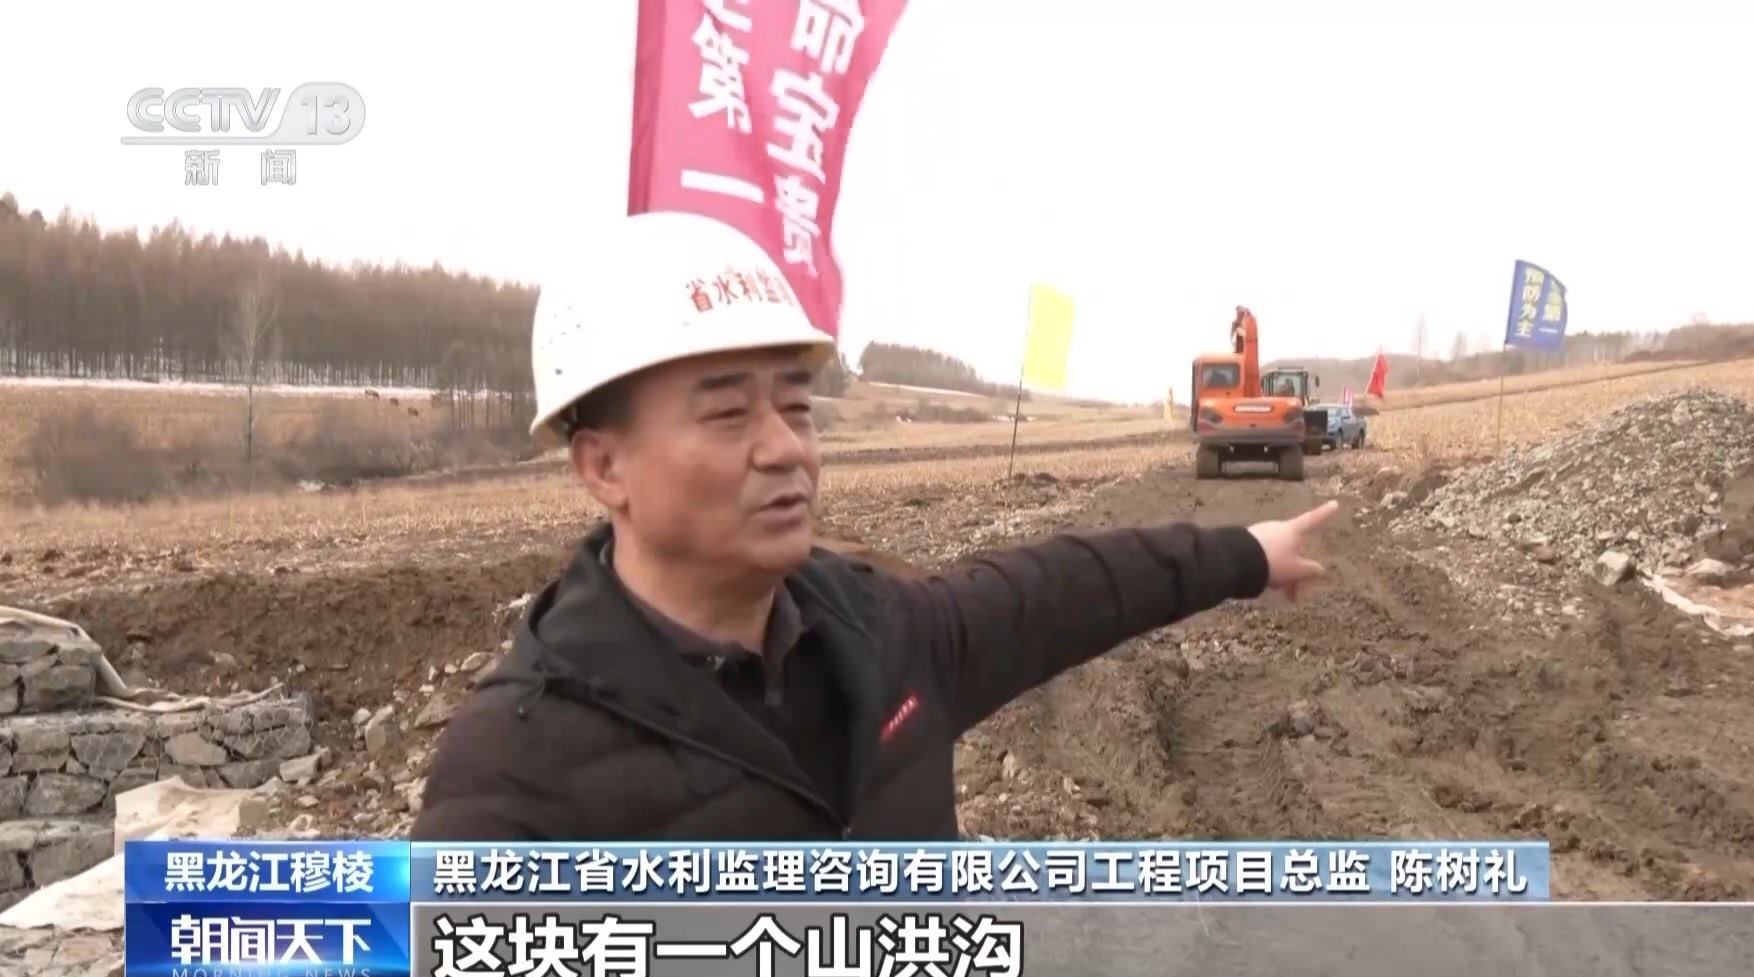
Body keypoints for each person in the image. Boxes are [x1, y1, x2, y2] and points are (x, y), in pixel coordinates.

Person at [410, 212, 1340, 841]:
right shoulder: (511, 781)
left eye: (796, 406)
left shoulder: (877, 633)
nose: (786, 449)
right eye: (728, 415)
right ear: (603, 466)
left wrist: (1244, 554)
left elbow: (1061, 592)